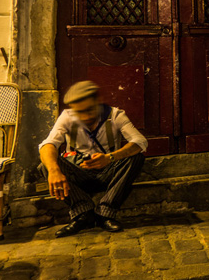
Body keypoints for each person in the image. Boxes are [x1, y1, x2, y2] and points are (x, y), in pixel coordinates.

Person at [39, 81, 147, 237]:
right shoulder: (67, 117)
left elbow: (140, 141)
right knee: (46, 164)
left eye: (89, 110)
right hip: (78, 174)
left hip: (108, 172)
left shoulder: (115, 115)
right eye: (80, 112)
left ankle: (105, 213)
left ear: (98, 102)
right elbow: (48, 144)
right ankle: (83, 214)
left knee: (136, 157)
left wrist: (110, 157)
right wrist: (54, 170)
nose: (86, 116)